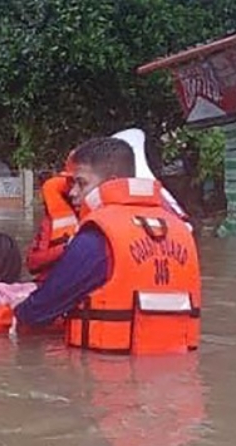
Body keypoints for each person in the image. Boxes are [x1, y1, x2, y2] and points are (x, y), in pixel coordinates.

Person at [12, 137, 201, 354]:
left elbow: (39, 311)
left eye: (81, 183)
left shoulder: (97, 237)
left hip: (107, 376)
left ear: (111, 182)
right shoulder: (179, 231)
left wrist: (17, 310)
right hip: (175, 373)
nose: (73, 192)